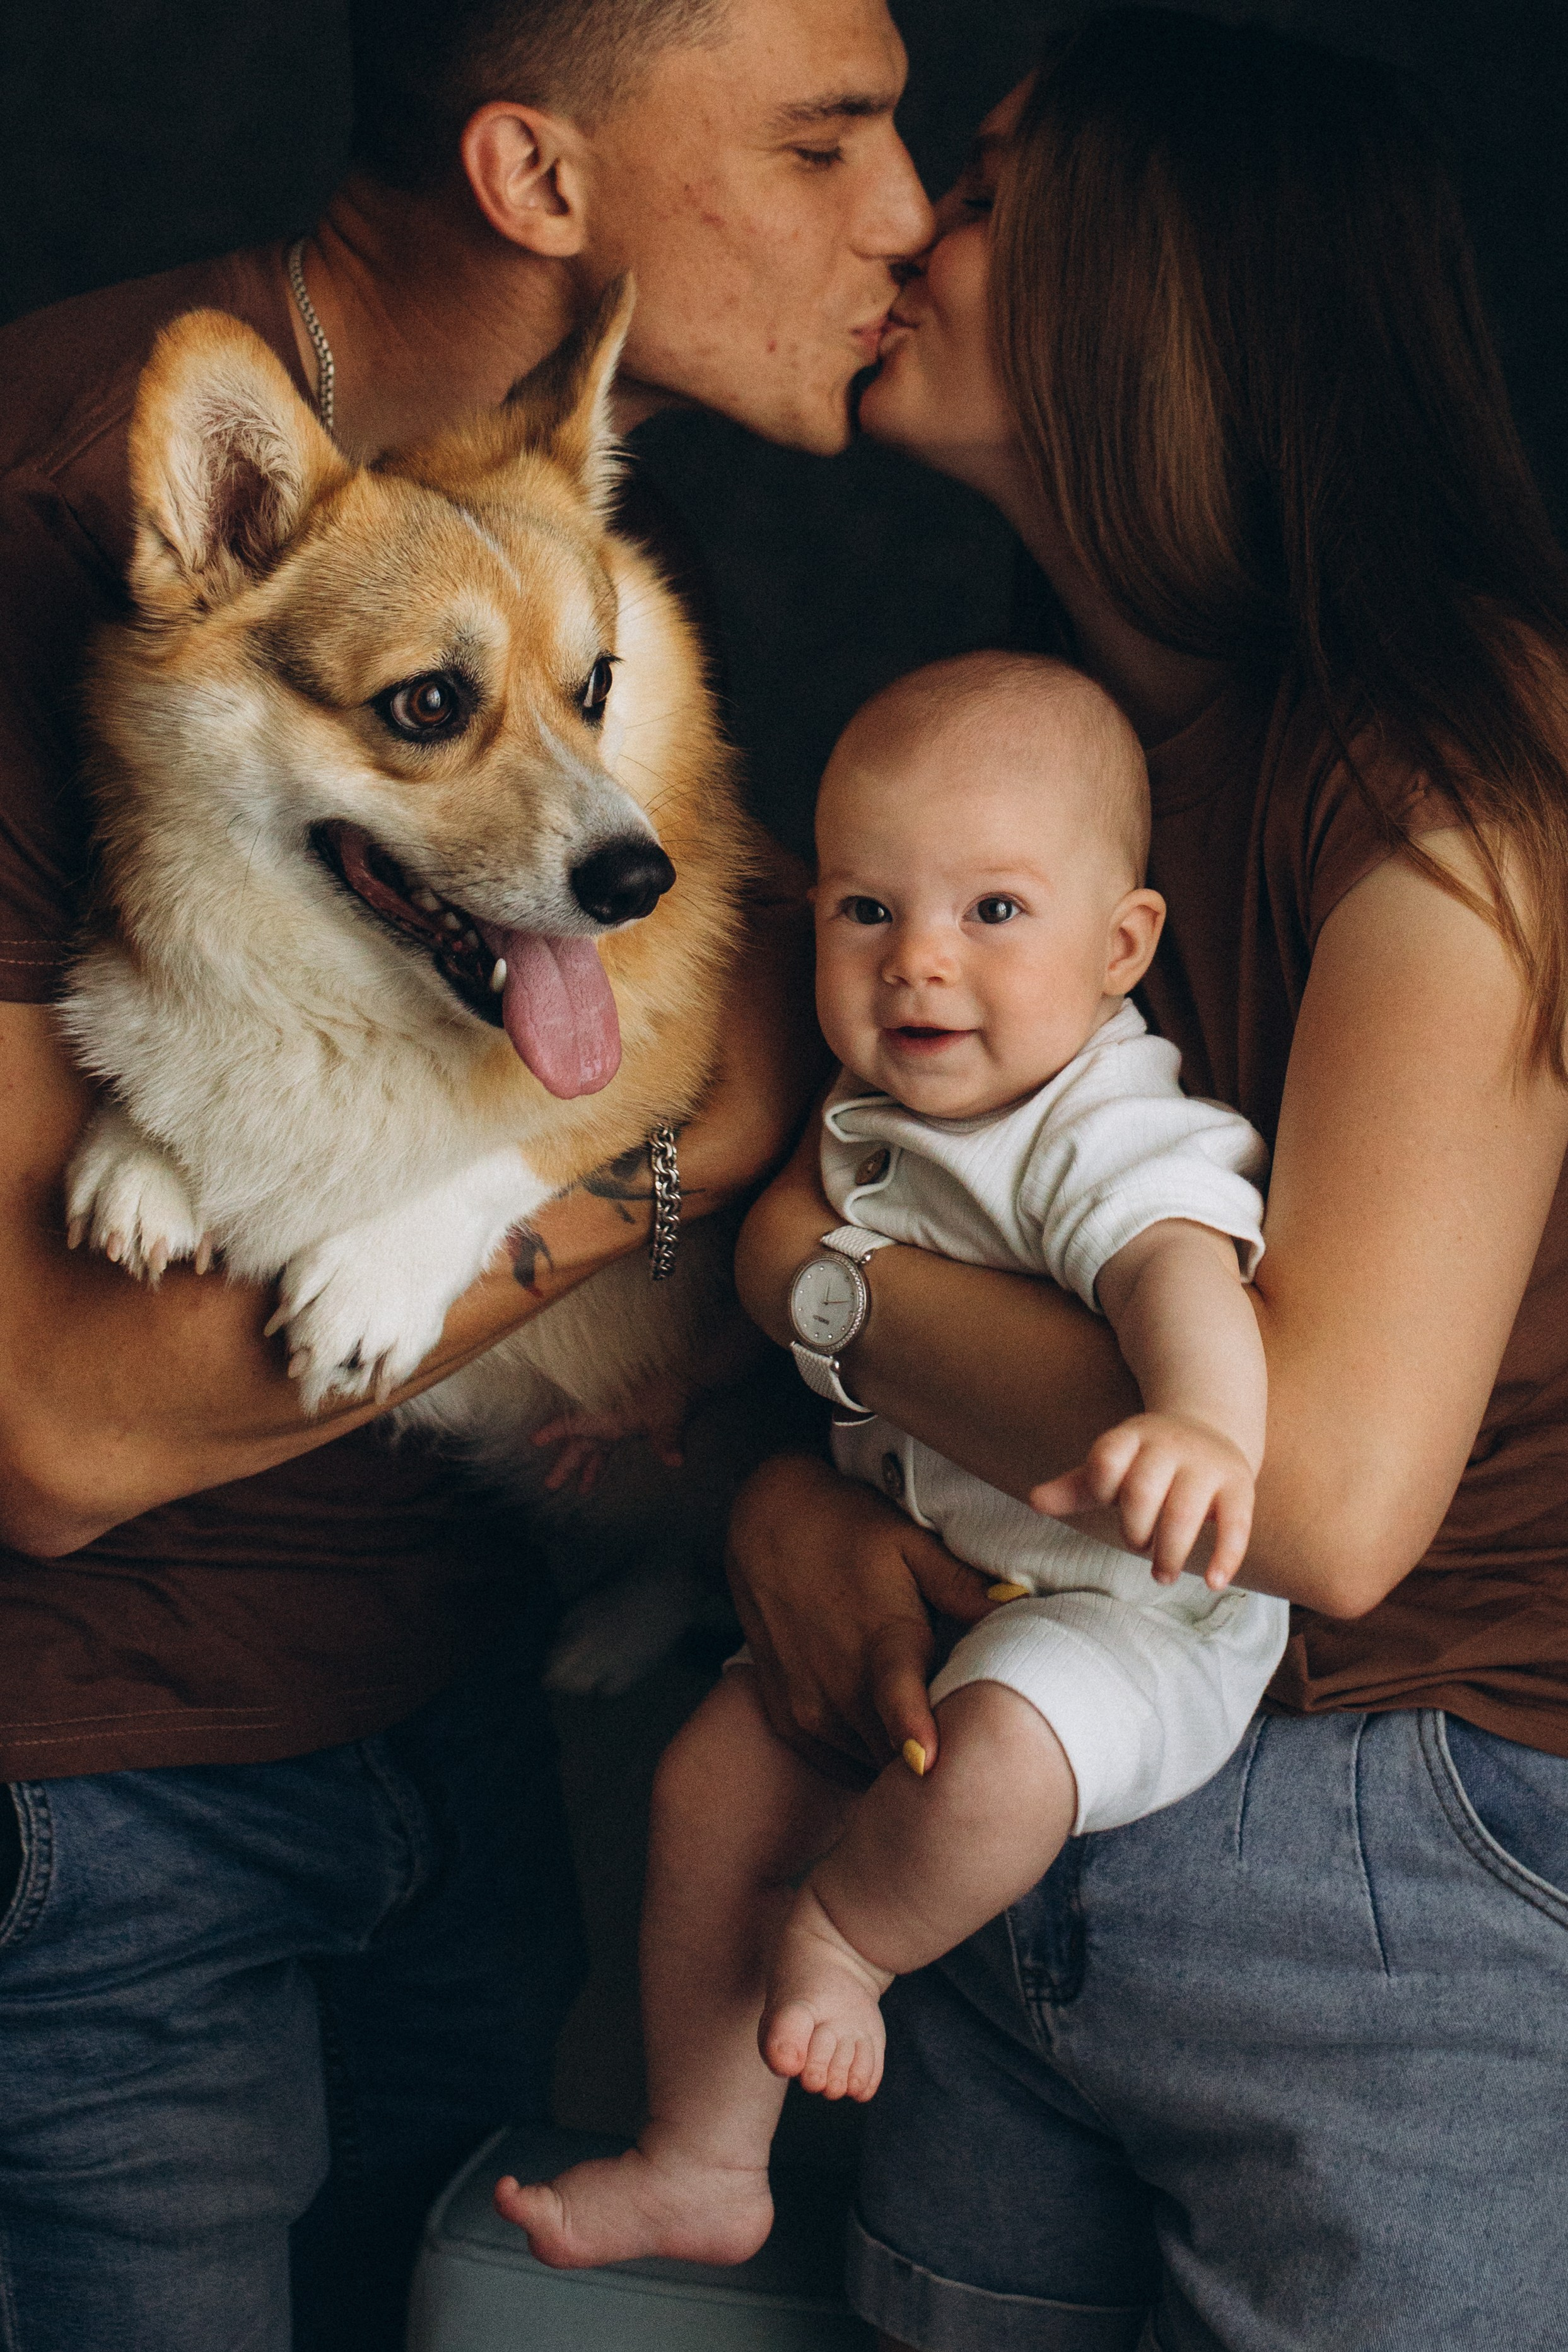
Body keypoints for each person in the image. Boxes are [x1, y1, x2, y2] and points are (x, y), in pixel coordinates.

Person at [0, 4, 930, 2348]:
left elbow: (734, 1031)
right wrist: (634, 1182)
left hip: (462, 1712)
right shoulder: (48, 510)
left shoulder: (570, 532)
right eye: (827, 141)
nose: (910, 214)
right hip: (111, 1807)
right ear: (538, 182)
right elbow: (59, 1427)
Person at [727, 13, 1568, 2350]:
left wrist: (803, 1279)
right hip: (1017, 1794)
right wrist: (789, 1503)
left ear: (1174, 293)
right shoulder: (1004, 785)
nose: (902, 223)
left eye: (983, 191)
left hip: (1392, 1860)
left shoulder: (1452, 770)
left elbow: (1317, 1506)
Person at [497, 646, 1285, 2271]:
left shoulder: (1096, 1119)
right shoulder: (872, 1114)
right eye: (868, 912)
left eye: (994, 914)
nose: (920, 964)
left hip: (1124, 1619)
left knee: (992, 1764)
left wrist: (1203, 1422)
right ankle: (703, 2156)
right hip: (930, 1586)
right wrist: (678, 1400)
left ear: (1123, 942)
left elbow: (1174, 1267)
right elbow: (783, 1309)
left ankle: (846, 1943)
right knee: (712, 1774)